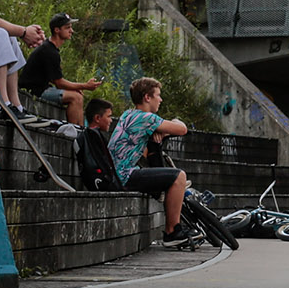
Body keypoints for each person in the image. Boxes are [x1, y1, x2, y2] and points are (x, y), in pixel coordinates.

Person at [109, 76, 196, 246]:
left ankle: (165, 199)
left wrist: (160, 132)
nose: (161, 99)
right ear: (147, 97)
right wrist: (175, 121)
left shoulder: (128, 114)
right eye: (158, 95)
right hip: (125, 175)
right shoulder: (146, 118)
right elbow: (182, 129)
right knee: (179, 176)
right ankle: (172, 232)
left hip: (115, 173)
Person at [22, 13, 101, 127]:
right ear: (57, 30)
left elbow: (56, 80)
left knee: (77, 94)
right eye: (67, 28)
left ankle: (81, 130)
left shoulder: (51, 48)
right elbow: (59, 83)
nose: (71, 31)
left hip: (42, 87)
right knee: (76, 97)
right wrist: (85, 86)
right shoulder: (49, 51)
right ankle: (75, 131)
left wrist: (79, 87)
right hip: (34, 91)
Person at [76, 98, 121, 191]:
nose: (111, 120)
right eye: (108, 116)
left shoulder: (91, 136)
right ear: (97, 118)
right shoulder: (93, 136)